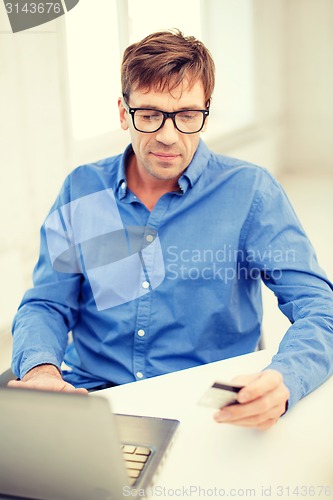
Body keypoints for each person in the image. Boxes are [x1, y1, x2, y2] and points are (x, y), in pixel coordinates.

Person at [9, 30, 333, 430]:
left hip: (204, 406)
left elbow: (320, 309)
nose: (167, 135)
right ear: (123, 112)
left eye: (186, 116)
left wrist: (285, 378)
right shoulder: (82, 189)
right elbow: (47, 303)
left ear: (206, 111)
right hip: (91, 396)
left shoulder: (251, 192)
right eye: (149, 115)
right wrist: (41, 370)